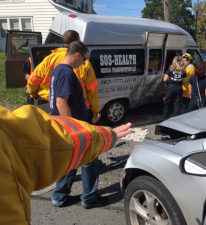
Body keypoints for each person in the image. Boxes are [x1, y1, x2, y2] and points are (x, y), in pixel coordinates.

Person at [0, 104, 131, 225]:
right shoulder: (67, 76)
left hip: (72, 128)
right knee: (84, 160)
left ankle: (61, 197)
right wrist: (101, 136)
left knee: (72, 161)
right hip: (77, 127)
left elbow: (28, 142)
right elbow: (53, 139)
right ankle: (87, 197)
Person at [48, 41, 102, 209]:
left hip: (62, 125)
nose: (84, 63)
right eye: (84, 59)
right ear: (78, 55)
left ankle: (60, 197)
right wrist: (74, 129)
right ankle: (89, 198)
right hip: (72, 127)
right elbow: (60, 102)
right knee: (90, 159)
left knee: (69, 161)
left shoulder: (58, 70)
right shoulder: (67, 73)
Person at [27, 30, 101, 124]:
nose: (84, 62)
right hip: (73, 113)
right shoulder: (70, 70)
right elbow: (92, 90)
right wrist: (96, 111)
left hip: (50, 103)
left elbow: (33, 80)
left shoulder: (50, 59)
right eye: (84, 59)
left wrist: (33, 94)